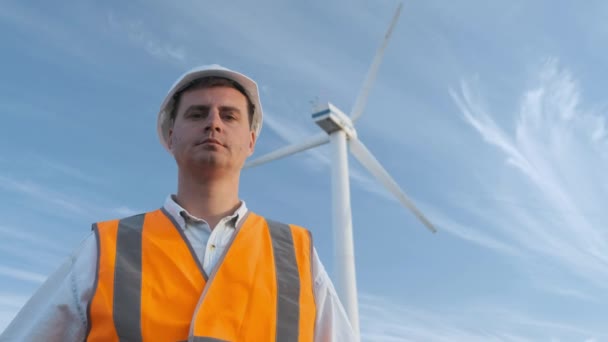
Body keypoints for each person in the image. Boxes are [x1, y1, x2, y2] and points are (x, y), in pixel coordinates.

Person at [0, 65, 356, 341]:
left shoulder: (297, 258)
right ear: (171, 137)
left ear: (250, 141)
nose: (213, 124)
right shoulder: (105, 249)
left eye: (228, 115)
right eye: (197, 114)